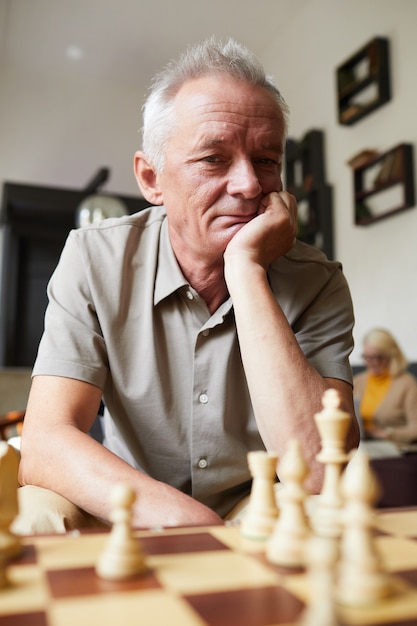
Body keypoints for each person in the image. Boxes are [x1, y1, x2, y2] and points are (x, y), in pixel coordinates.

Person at [16, 37, 359, 533]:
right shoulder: (94, 257)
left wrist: (246, 270)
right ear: (152, 179)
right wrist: (192, 526)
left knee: (322, 519)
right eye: (214, 159)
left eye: (266, 160)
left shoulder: (318, 281)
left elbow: (321, 470)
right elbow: (46, 441)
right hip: (127, 496)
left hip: (256, 506)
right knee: (35, 515)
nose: (248, 185)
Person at [354, 328, 417, 443]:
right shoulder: (357, 381)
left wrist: (385, 433)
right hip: (361, 445)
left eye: (377, 357)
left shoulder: (407, 384)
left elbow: (415, 429)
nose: (370, 362)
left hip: (394, 448)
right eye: (367, 357)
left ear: (391, 356)